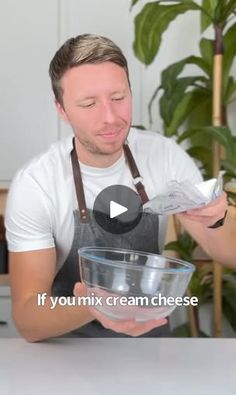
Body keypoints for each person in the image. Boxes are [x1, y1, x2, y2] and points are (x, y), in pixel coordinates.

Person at [5, 34, 230, 342]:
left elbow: (227, 252)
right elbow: (29, 317)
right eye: (88, 104)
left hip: (150, 348)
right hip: (65, 356)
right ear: (61, 109)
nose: (110, 118)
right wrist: (94, 306)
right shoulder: (37, 183)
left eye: (119, 98)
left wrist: (218, 218)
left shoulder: (164, 157)